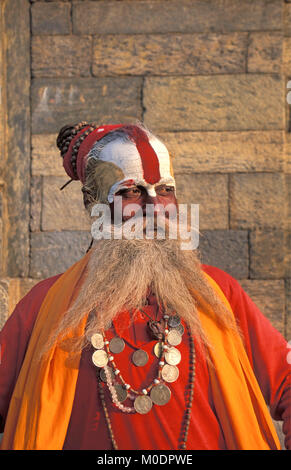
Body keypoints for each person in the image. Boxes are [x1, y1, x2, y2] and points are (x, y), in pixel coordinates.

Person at [0, 122, 289, 451]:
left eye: (165, 189)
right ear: (93, 205)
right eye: (130, 192)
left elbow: (287, 381)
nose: (154, 208)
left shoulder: (219, 293)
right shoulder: (45, 305)